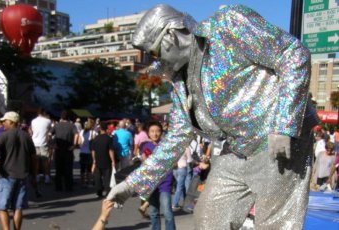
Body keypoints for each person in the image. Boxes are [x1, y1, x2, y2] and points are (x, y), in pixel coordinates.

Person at [107, 4, 319, 229]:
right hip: (237, 151)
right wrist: (131, 184)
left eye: (154, 52)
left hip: (278, 144)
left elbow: (293, 54)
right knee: (208, 217)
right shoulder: (180, 85)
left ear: (171, 36)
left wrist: (284, 124)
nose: (157, 62)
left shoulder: (227, 25)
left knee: (273, 224)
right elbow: (175, 140)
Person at [0, 111, 37, 230]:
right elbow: (34, 158)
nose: (3, 123)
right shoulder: (26, 136)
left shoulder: (4, 135)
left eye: (5, 121)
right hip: (23, 175)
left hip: (6, 175)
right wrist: (34, 175)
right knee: (18, 207)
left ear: (11, 122)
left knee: (2, 207)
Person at [138, 121, 176, 230]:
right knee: (154, 212)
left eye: (157, 131)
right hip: (151, 184)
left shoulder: (166, 145)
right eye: (152, 131)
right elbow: (144, 165)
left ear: (161, 132)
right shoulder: (145, 146)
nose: (155, 134)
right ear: (148, 133)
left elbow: (172, 161)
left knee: (168, 212)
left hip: (165, 183)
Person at [50, 110, 78, 192]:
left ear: (61, 117)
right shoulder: (72, 126)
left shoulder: (56, 125)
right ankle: (68, 187)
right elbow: (76, 134)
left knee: (58, 169)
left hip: (58, 149)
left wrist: (52, 144)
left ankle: (58, 187)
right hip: (68, 149)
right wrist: (74, 145)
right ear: (68, 117)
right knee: (68, 169)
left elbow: (49, 134)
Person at [91, 121, 115, 198]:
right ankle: (108, 192)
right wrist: (113, 160)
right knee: (107, 177)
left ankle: (99, 191)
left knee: (98, 177)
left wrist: (94, 160)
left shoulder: (95, 139)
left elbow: (93, 151)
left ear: (100, 128)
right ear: (106, 128)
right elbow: (110, 150)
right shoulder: (109, 138)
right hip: (106, 160)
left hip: (98, 160)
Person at [30, 107, 52, 184]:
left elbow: (32, 131)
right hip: (44, 143)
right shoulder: (48, 121)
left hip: (34, 143)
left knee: (36, 161)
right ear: (44, 113)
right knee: (45, 161)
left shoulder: (33, 121)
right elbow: (49, 132)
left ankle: (37, 176)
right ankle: (46, 177)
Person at [78, 121, 97, 187]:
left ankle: (82, 182)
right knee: (89, 168)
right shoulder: (94, 133)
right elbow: (95, 143)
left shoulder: (81, 132)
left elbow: (79, 142)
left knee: (82, 168)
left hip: (82, 151)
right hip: (89, 152)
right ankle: (89, 182)